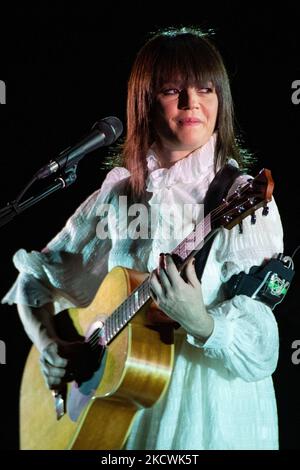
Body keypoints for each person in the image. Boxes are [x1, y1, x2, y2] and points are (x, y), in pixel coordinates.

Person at [2, 26, 283, 450]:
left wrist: (202, 322)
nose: (192, 103)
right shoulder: (118, 193)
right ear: (143, 103)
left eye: (206, 89)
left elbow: (265, 349)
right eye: (173, 90)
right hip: (119, 412)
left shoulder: (240, 197)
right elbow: (33, 281)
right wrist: (49, 346)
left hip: (207, 416)